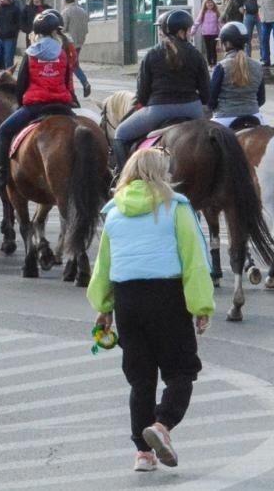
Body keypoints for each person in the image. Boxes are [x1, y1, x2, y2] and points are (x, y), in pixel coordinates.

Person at [87, 146, 214, 473]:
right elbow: (194, 259)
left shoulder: (114, 211)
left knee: (141, 380)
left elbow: (104, 265)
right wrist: (201, 305)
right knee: (182, 371)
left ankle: (143, 454)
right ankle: (162, 426)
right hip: (166, 296)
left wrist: (104, 307)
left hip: (128, 299)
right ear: (163, 173)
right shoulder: (176, 207)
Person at [0, 9, 76, 190]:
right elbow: (66, 81)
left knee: (2, 132)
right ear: (53, 32)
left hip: (36, 106)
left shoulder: (30, 54)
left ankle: (2, 174)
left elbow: (22, 84)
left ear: (37, 33)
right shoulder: (62, 53)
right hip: (62, 105)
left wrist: (21, 102)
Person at [110, 10, 209, 167]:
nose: (190, 33)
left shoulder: (151, 54)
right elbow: (206, 93)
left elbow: (142, 94)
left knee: (120, 133)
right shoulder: (196, 54)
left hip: (159, 110)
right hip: (193, 110)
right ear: (182, 31)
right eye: (189, 30)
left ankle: (122, 178)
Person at [207, 23, 265, 129]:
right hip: (254, 116)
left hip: (224, 118)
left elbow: (211, 100)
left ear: (227, 43)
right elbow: (261, 99)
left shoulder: (221, 66)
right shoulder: (258, 66)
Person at [0, 0, 22, 67]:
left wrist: (14, 30)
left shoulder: (14, 8)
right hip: (0, 35)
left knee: (8, 58)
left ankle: (9, 74)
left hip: (10, 36)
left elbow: (19, 21)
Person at [195, 0, 221, 65]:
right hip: (205, 33)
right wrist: (193, 30)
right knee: (208, 49)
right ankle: (209, 64)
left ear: (213, 4)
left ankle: (214, 63)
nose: (210, 4)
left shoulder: (216, 13)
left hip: (214, 33)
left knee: (213, 48)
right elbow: (197, 22)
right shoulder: (203, 13)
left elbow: (220, 23)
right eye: (208, 3)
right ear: (205, 4)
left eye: (211, 2)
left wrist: (223, 31)